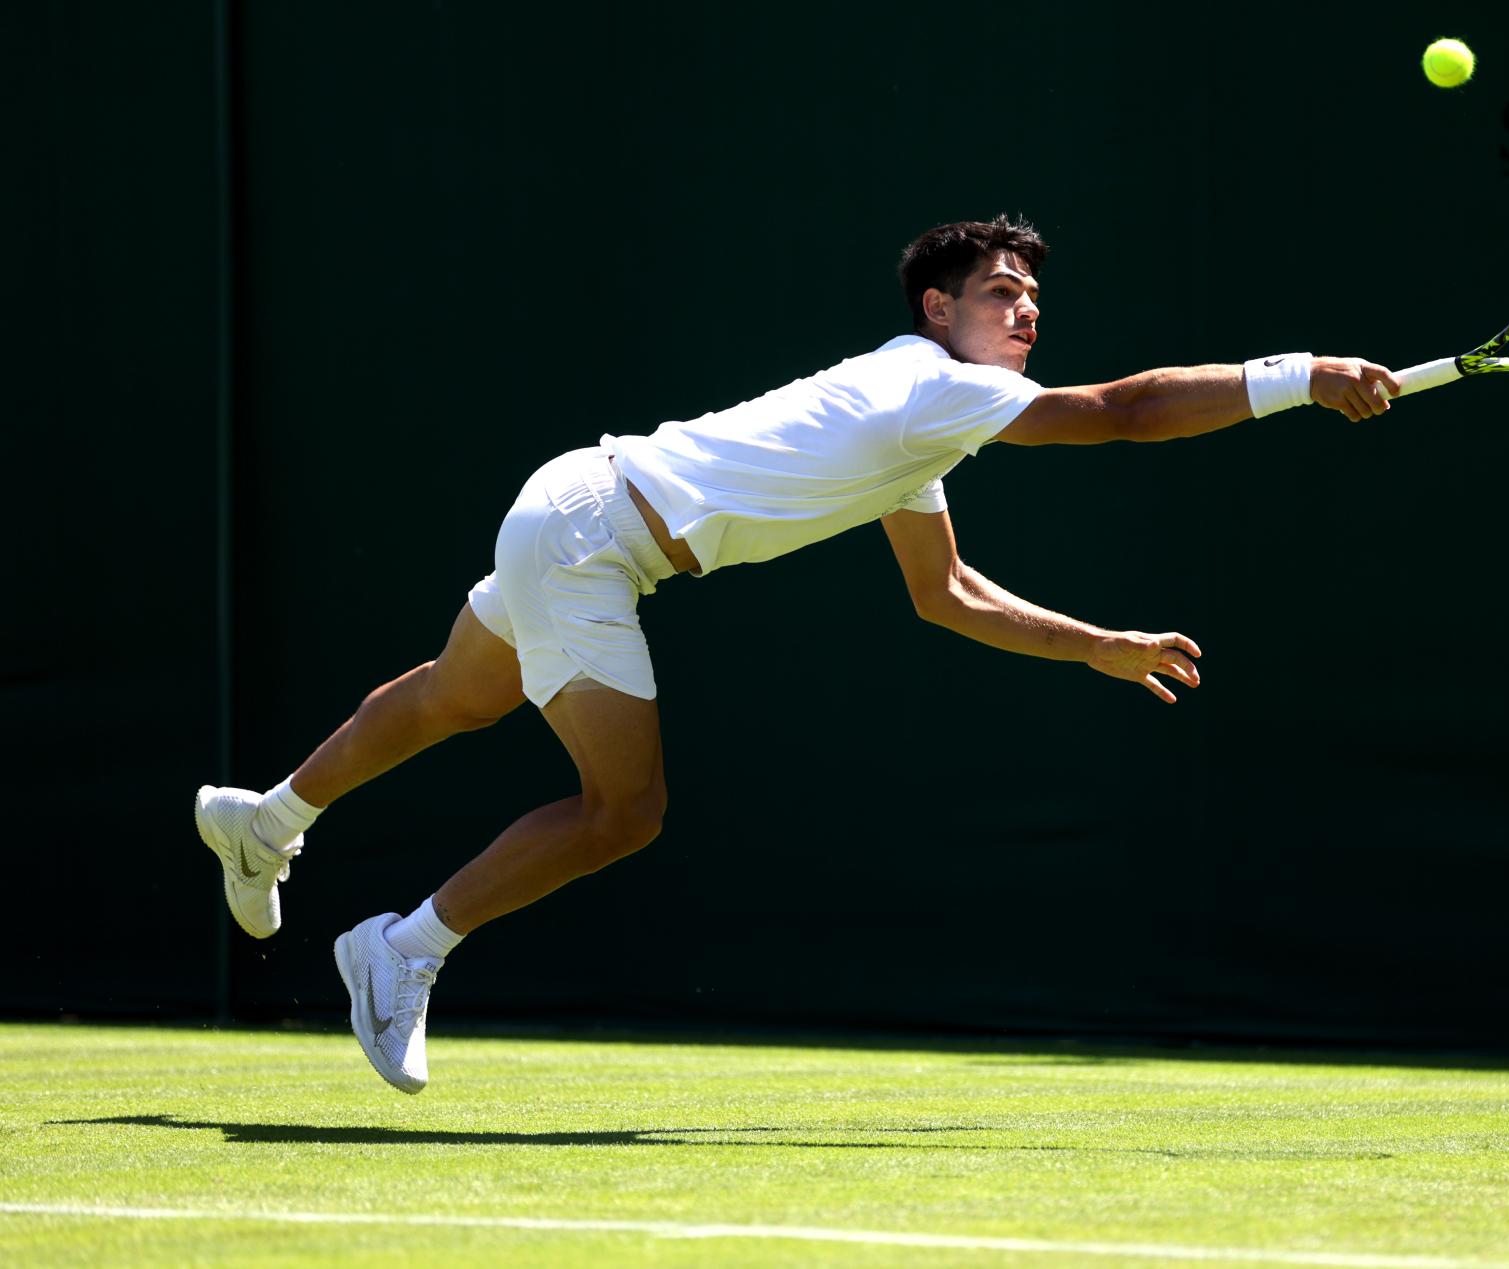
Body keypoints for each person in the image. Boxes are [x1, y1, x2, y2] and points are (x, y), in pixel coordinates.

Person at [194, 215, 1400, 1094]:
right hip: (595, 540)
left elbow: (948, 593)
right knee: (625, 811)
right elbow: (1126, 410)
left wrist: (1096, 648)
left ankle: (266, 819)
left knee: (458, 699)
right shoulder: (934, 390)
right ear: (939, 310)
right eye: (998, 291)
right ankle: (400, 949)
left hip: (575, 503)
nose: (1025, 308)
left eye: (1032, 294)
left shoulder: (918, 413)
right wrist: (1300, 378)